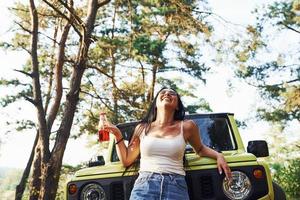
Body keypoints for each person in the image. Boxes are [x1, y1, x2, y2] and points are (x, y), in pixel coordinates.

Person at [104, 87, 232, 200]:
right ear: (155, 104)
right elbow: (127, 160)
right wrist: (117, 134)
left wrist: (219, 155)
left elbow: (200, 149)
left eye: (172, 93)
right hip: (144, 186)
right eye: (163, 92)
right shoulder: (142, 128)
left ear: (177, 106)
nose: (167, 94)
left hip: (176, 186)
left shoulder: (187, 126)